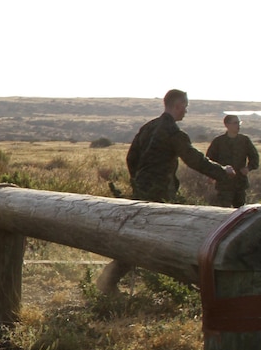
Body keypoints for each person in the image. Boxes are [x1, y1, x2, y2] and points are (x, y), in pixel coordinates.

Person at [97, 89, 235, 293]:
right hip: (160, 196)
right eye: (185, 107)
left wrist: (140, 182)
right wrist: (222, 172)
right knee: (169, 241)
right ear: (177, 105)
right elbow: (194, 159)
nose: (186, 111)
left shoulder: (148, 128)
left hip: (143, 192)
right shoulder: (173, 133)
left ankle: (109, 282)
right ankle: (176, 286)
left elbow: (131, 158)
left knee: (137, 238)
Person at [206, 114, 259, 208]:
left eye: (239, 123)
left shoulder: (244, 140)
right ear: (227, 125)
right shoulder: (218, 141)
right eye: (235, 123)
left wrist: (248, 168)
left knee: (240, 214)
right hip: (224, 184)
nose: (238, 125)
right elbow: (209, 160)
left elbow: (255, 157)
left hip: (240, 183)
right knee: (223, 212)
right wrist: (211, 174)